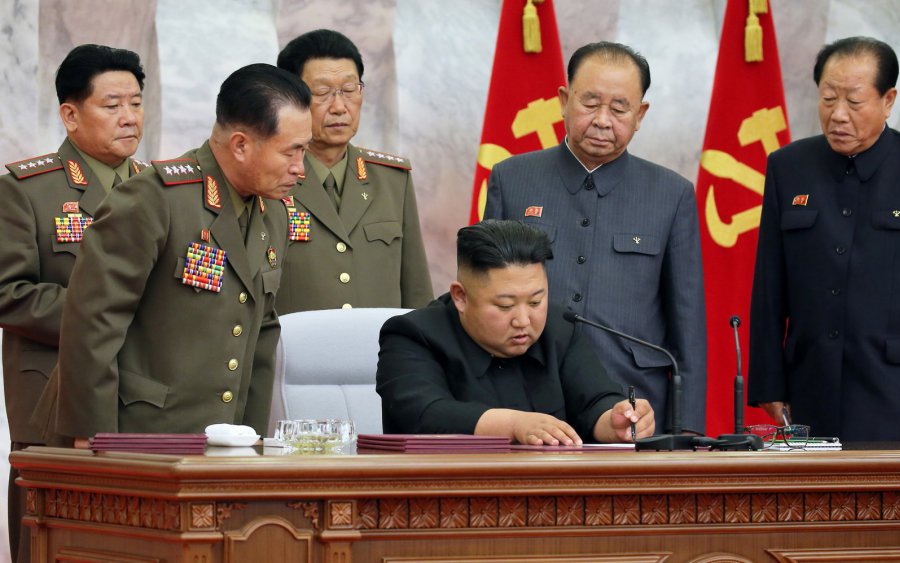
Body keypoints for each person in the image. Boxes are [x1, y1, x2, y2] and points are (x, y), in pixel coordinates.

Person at [31, 63, 313, 444]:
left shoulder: (273, 212)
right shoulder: (155, 198)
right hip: (138, 437)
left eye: (304, 151)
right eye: (291, 152)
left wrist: (252, 439)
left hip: (222, 442)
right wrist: (92, 438)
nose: (301, 169)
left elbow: (262, 334)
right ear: (241, 145)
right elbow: (94, 323)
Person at [747, 37, 900, 442]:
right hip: (810, 392)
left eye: (854, 102)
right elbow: (769, 285)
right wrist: (769, 382)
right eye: (828, 99)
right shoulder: (788, 167)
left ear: (888, 100)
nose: (838, 115)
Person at [484, 42, 706, 435]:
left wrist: (686, 428)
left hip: (632, 405)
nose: (602, 120)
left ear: (640, 115)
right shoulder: (512, 179)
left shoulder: (671, 195)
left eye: (619, 109)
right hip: (526, 401)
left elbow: (686, 323)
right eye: (590, 103)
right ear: (564, 101)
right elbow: (484, 296)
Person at [0, 43, 147, 563]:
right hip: (55, 396)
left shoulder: (162, 189)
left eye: (136, 103)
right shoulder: (27, 190)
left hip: (146, 395)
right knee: (54, 538)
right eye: (112, 105)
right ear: (70, 115)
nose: (129, 117)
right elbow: (9, 293)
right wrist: (105, 317)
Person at [376, 220, 654, 445]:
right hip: (446, 491)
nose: (523, 320)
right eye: (505, 306)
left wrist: (615, 421)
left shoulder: (559, 326)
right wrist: (513, 424)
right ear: (461, 296)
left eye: (535, 302)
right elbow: (424, 414)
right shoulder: (412, 336)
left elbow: (593, 400)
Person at [274, 29, 432, 314]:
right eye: (322, 92)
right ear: (290, 98)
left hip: (379, 344)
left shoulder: (392, 180)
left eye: (349, 90)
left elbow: (416, 291)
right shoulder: (270, 180)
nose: (339, 107)